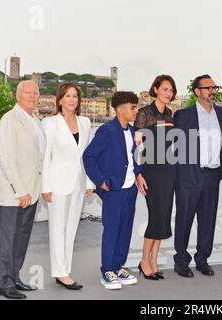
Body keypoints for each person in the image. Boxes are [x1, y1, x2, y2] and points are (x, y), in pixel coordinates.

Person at [0, 80, 45, 299]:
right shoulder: (9, 120)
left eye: (36, 92)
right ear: (18, 95)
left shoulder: (36, 121)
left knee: (22, 238)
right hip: (13, 194)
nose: (32, 96)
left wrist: (32, 191)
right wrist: (20, 191)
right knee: (10, 239)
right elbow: (7, 160)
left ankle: (14, 277)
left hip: (31, 194)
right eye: (27, 93)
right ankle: (4, 283)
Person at [83, 91, 141, 290]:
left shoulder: (133, 132)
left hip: (130, 190)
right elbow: (88, 157)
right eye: (132, 107)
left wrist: (138, 176)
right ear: (119, 109)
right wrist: (102, 182)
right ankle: (107, 270)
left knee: (125, 230)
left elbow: (134, 160)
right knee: (112, 229)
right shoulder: (107, 131)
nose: (136, 110)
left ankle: (117, 266)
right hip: (114, 190)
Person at [173, 74, 222, 278]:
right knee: (184, 219)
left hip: (212, 176)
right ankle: (181, 261)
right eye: (208, 88)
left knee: (208, 220)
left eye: (215, 87)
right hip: (189, 176)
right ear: (197, 92)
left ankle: (202, 260)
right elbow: (174, 147)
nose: (213, 91)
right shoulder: (183, 115)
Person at [41, 83, 95, 289]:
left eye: (75, 96)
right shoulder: (50, 122)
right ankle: (61, 272)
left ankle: (64, 270)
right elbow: (46, 157)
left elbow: (86, 156)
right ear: (60, 99)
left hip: (79, 182)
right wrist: (45, 186)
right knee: (57, 228)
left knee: (71, 228)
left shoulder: (85, 121)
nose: (72, 100)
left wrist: (89, 181)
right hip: (57, 183)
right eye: (68, 96)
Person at [134, 75, 177, 280]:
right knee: (155, 217)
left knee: (164, 217)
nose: (168, 93)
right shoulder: (145, 113)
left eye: (171, 90)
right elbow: (136, 148)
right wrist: (138, 173)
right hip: (151, 172)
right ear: (156, 89)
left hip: (169, 172)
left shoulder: (170, 113)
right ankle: (144, 261)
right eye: (165, 89)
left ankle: (154, 260)